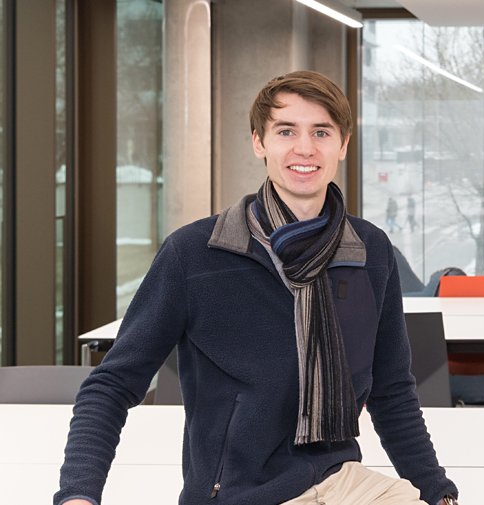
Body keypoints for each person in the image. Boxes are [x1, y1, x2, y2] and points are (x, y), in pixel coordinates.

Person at [55, 71, 459, 505]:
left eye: (321, 132)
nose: (304, 148)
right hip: (237, 494)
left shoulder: (368, 251)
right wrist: (79, 494)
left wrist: (437, 491)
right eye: (286, 131)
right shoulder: (195, 254)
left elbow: (392, 391)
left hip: (341, 480)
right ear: (259, 142)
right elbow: (111, 385)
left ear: (342, 144)